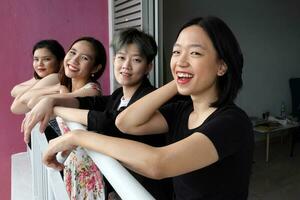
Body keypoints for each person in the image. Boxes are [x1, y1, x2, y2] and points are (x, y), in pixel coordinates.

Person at [42, 16, 254, 199]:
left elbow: (158, 163)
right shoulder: (182, 111)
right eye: (176, 52)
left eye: (195, 54)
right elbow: (125, 122)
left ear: (222, 66)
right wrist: (180, 80)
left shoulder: (232, 122)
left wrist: (77, 137)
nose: (180, 61)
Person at [23, 28, 173, 200]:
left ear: (148, 67)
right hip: (120, 188)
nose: (126, 66)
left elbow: (110, 122)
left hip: (144, 192)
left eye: (136, 60)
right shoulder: (118, 96)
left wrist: (55, 108)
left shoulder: (148, 98)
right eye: (121, 57)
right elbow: (89, 103)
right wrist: (50, 101)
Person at [10, 39, 65, 114]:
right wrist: (38, 85)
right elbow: (14, 90)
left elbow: (15, 108)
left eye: (47, 59)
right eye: (36, 59)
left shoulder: (55, 77)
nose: (40, 64)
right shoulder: (40, 79)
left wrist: (33, 90)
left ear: (60, 61)